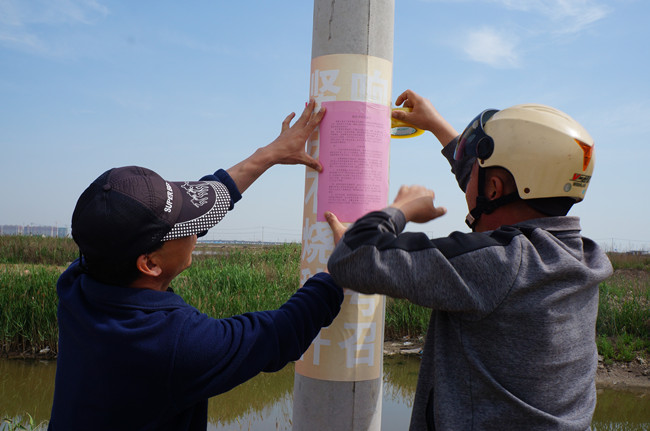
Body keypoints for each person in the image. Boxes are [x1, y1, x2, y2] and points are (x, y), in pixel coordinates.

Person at [325, 89, 613, 430]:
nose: (466, 179)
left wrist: (399, 210)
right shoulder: (584, 257)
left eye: (474, 169)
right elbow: (492, 188)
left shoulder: (498, 264)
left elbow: (353, 256)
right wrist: (435, 124)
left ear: (493, 188)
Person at [48, 100, 344, 431]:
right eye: (187, 226)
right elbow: (279, 334)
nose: (198, 231)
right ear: (149, 263)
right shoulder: (174, 344)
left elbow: (155, 230)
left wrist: (270, 154)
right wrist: (341, 267)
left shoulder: (78, 281)